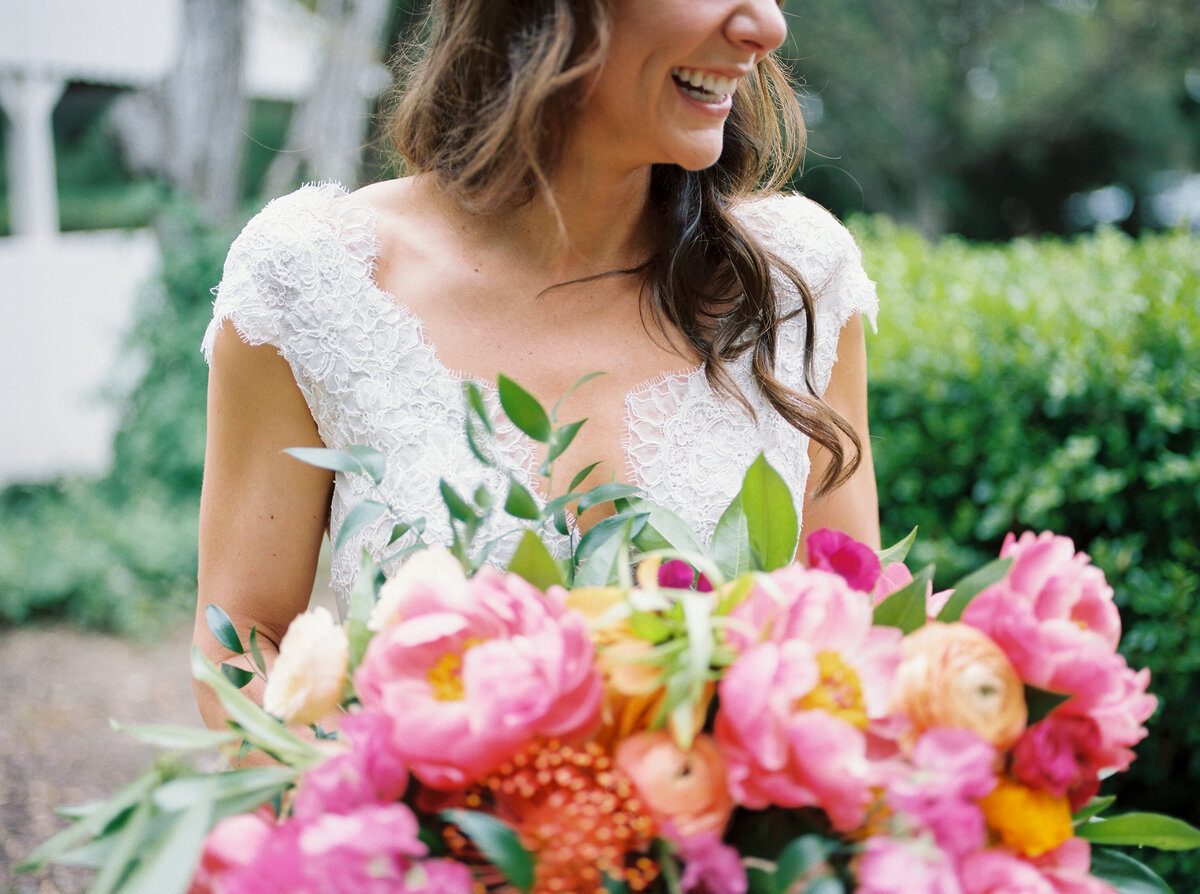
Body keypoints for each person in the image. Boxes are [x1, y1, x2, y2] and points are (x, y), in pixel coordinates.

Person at [193, 0, 880, 732]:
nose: (768, 26)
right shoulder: (317, 280)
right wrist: (381, 823)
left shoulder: (796, 283)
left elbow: (855, 646)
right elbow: (240, 642)